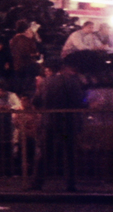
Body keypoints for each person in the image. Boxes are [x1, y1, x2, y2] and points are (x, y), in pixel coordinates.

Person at [32, 56, 85, 191]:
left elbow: (36, 101)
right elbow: (79, 100)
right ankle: (71, 184)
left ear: (49, 69)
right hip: (69, 120)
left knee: (44, 152)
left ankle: (37, 183)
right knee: (69, 154)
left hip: (49, 120)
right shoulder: (73, 81)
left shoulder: (45, 82)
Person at [9, 20, 42, 97]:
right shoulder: (24, 40)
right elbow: (27, 52)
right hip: (26, 66)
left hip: (18, 66)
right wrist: (35, 54)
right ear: (26, 29)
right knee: (28, 87)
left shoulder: (14, 39)